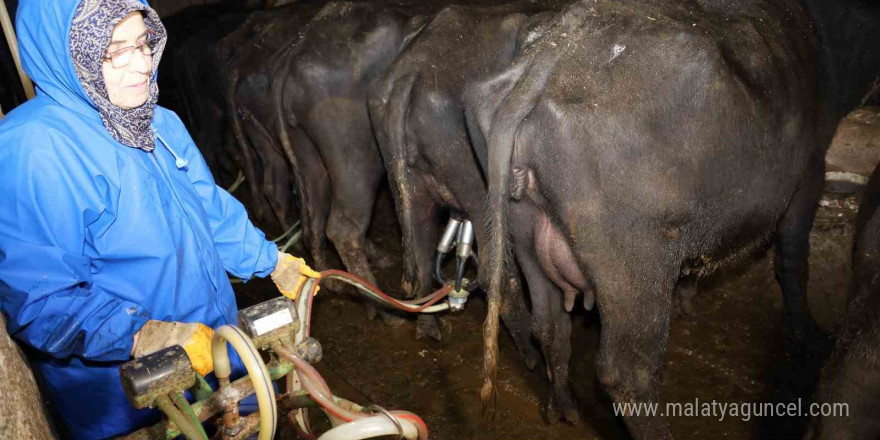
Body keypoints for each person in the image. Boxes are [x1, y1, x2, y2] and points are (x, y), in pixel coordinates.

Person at [0, 0, 315, 438]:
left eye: (144, 43)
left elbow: (208, 208)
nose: (142, 64)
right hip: (127, 393)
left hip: (215, 344)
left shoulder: (157, 121)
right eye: (114, 52)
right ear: (72, 57)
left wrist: (270, 261)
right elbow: (42, 298)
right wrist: (143, 336)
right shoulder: (32, 149)